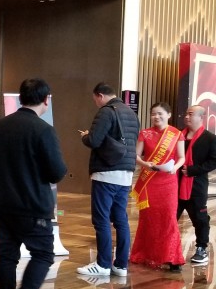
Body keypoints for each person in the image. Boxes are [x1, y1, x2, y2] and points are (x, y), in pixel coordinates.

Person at [0, 78, 67, 289]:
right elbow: (57, 171)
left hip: (1, 202)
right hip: (32, 204)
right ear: (46, 100)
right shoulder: (43, 130)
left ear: (21, 98)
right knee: (43, 254)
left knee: (7, 255)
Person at [77, 82, 140, 277]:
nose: (96, 103)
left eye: (95, 99)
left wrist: (85, 136)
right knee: (120, 219)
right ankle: (121, 265)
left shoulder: (106, 111)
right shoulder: (131, 113)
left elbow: (94, 140)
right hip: (126, 174)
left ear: (100, 95)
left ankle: (103, 264)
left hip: (106, 173)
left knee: (101, 219)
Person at [130, 102, 185, 271]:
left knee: (168, 218)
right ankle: (147, 254)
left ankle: (172, 257)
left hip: (168, 182)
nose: (156, 117)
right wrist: (145, 164)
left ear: (169, 115)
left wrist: (175, 168)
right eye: (153, 113)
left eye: (160, 113)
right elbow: (135, 155)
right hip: (149, 182)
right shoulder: (144, 133)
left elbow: (181, 157)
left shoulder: (176, 134)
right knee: (149, 219)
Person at [177, 104, 216, 264]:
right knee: (170, 218)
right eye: (186, 114)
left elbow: (213, 161)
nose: (187, 117)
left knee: (200, 218)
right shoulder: (178, 135)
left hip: (196, 186)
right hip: (176, 184)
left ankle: (201, 248)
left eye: (191, 114)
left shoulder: (210, 138)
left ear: (201, 117)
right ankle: (168, 249)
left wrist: (193, 170)